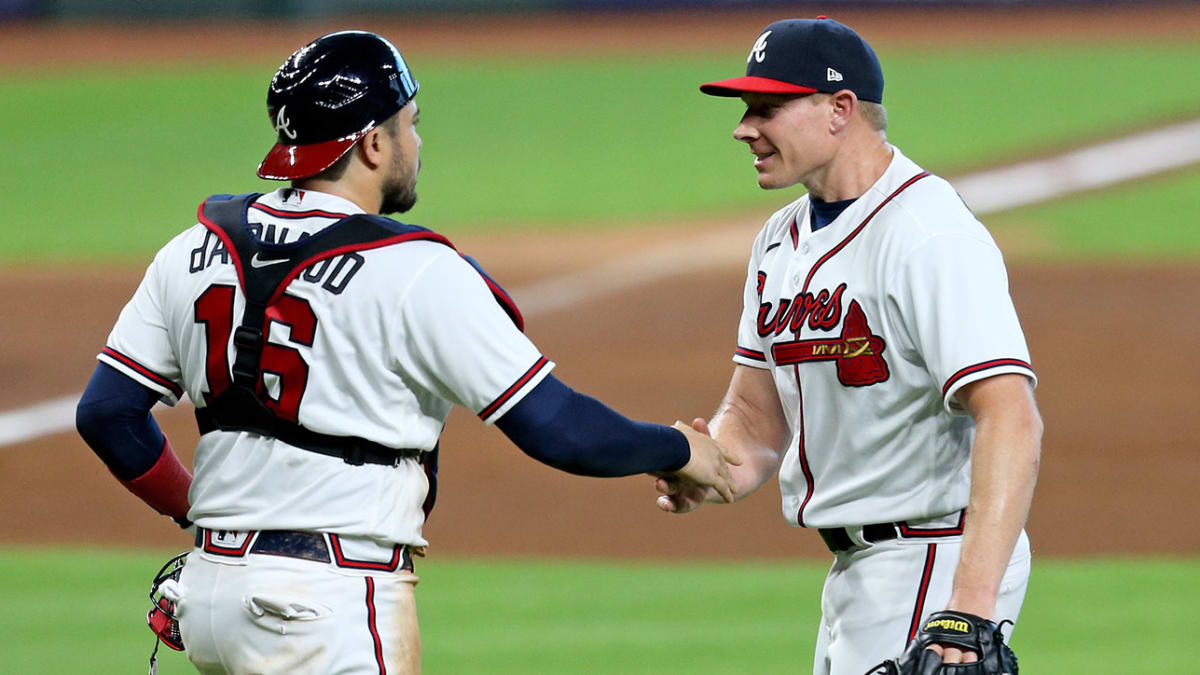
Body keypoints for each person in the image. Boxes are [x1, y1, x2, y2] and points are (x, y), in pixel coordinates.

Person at [74, 30, 737, 675]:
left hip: (212, 594)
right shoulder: (416, 271)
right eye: (410, 123)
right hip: (327, 605)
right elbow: (556, 427)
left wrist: (202, 509)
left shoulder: (192, 249)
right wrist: (679, 449)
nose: (417, 143)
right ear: (370, 143)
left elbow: (107, 413)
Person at [654, 17, 1042, 675]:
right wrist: (709, 465)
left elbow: (1010, 414)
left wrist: (969, 609)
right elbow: (752, 422)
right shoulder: (779, 240)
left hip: (933, 563)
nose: (744, 127)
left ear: (840, 110)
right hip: (856, 576)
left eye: (767, 107)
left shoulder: (927, 233)